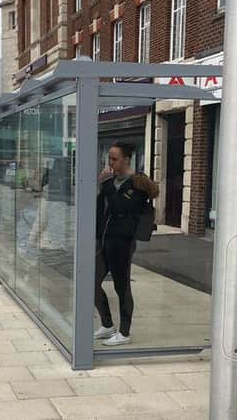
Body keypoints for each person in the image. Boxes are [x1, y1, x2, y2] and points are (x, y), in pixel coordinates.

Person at [94, 141, 159, 346]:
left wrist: (105, 185)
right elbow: (100, 209)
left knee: (122, 287)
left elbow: (119, 206)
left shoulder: (138, 184)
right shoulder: (110, 181)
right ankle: (107, 324)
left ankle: (124, 332)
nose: (111, 163)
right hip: (105, 240)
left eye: (114, 159)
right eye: (109, 158)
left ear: (126, 159)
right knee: (91, 283)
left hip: (123, 242)